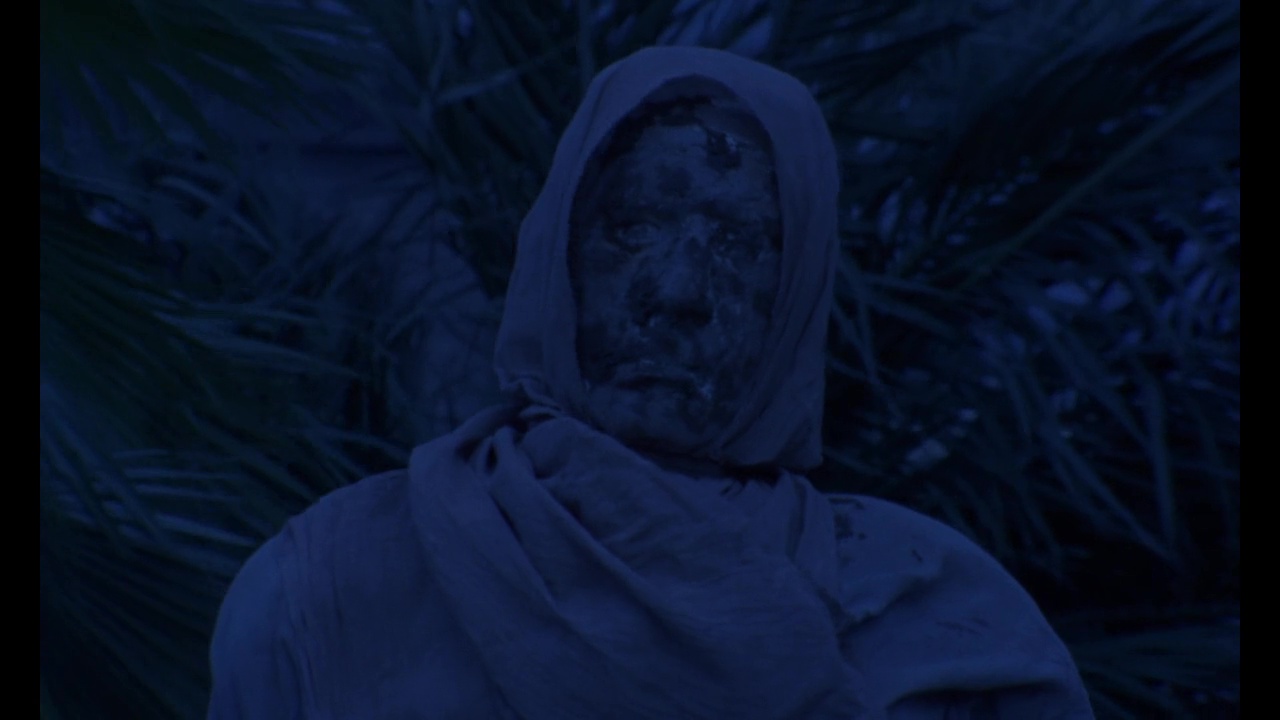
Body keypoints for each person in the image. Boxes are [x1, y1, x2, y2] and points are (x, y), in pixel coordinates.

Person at [208, 45, 1095, 719]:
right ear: (556, 260)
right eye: (631, 229)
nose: (678, 292)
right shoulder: (326, 591)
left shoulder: (940, 619)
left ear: (794, 296)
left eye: (739, 246)